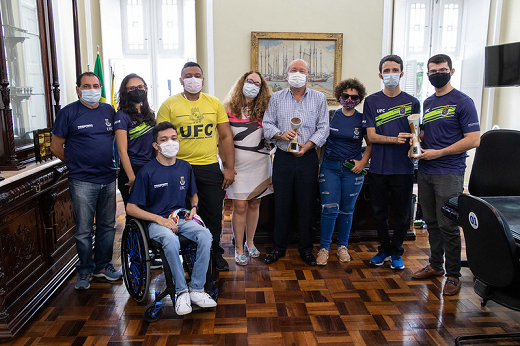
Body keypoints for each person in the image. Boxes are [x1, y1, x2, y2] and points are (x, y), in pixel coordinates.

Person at [126, 121, 217, 315]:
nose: (170, 142)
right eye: (164, 139)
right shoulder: (147, 172)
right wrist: (159, 220)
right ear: (155, 146)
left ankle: (197, 289)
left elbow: (194, 194)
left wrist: (194, 207)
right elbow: (131, 208)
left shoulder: (185, 167)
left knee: (205, 236)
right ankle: (181, 291)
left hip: (181, 218)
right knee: (169, 240)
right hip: (156, 221)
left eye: (173, 138)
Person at [411, 54, 480, 296]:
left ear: (451, 71)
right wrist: (416, 141)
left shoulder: (463, 102)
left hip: (449, 172)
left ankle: (453, 275)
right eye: (432, 71)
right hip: (426, 171)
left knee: (448, 224)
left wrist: (439, 153)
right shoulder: (428, 103)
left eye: (441, 69)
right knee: (431, 223)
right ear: (427, 74)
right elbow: (425, 134)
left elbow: (473, 139)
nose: (436, 74)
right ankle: (436, 265)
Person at [156, 62, 235, 272]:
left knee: (213, 215)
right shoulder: (169, 105)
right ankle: (185, 256)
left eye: (197, 75)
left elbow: (226, 136)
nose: (193, 79)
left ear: (203, 78)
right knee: (180, 214)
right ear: (181, 81)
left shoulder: (214, 103)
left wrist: (229, 167)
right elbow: (160, 139)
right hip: (177, 167)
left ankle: (214, 254)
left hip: (208, 166)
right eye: (188, 76)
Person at [50, 71, 122, 290]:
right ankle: (85, 269)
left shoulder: (109, 110)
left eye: (96, 85)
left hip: (108, 177)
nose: (92, 90)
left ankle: (103, 266)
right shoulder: (68, 113)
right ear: (78, 89)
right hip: (82, 181)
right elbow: (55, 146)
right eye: (87, 86)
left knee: (107, 226)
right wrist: (75, 163)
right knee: (83, 229)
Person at [262, 59, 329, 266]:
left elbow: (324, 128)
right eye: (293, 70)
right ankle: (278, 248)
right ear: (286, 74)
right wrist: (281, 135)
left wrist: (308, 146)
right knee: (281, 204)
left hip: (308, 158)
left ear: (308, 75)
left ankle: (306, 249)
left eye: (302, 71)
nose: (297, 73)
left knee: (306, 204)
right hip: (283, 158)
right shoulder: (276, 98)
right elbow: (267, 124)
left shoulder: (319, 98)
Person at [362, 55, 420, 270]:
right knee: (379, 213)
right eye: (386, 70)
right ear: (380, 75)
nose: (390, 74)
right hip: (378, 168)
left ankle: (397, 252)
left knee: (403, 214)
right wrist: (395, 139)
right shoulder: (372, 101)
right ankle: (383, 250)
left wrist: (415, 143)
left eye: (395, 70)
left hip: (403, 169)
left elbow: (416, 135)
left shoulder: (413, 102)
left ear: (402, 73)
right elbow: (372, 136)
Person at [316, 78, 372, 266]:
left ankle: (342, 247)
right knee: (329, 209)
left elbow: (371, 143)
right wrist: (318, 165)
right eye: (346, 95)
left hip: (352, 170)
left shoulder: (362, 118)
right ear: (339, 96)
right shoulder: (331, 116)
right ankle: (324, 248)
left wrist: (363, 162)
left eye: (354, 97)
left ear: (359, 99)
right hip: (330, 168)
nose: (349, 99)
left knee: (347, 211)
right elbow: (321, 142)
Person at [222, 71, 273, 266]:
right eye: (249, 81)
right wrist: (227, 165)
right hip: (237, 165)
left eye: (257, 83)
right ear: (242, 82)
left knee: (254, 204)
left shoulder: (266, 109)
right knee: (240, 206)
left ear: (261, 89)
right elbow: (222, 139)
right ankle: (239, 247)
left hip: (260, 163)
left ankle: (251, 242)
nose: (252, 85)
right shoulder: (227, 107)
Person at [114, 73, 155, 213]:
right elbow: (121, 150)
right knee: (134, 215)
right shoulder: (121, 116)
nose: (137, 90)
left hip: (149, 169)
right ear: (125, 92)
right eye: (131, 88)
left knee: (151, 213)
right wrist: (132, 177)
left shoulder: (149, 114)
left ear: (146, 89)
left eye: (139, 87)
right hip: (132, 170)